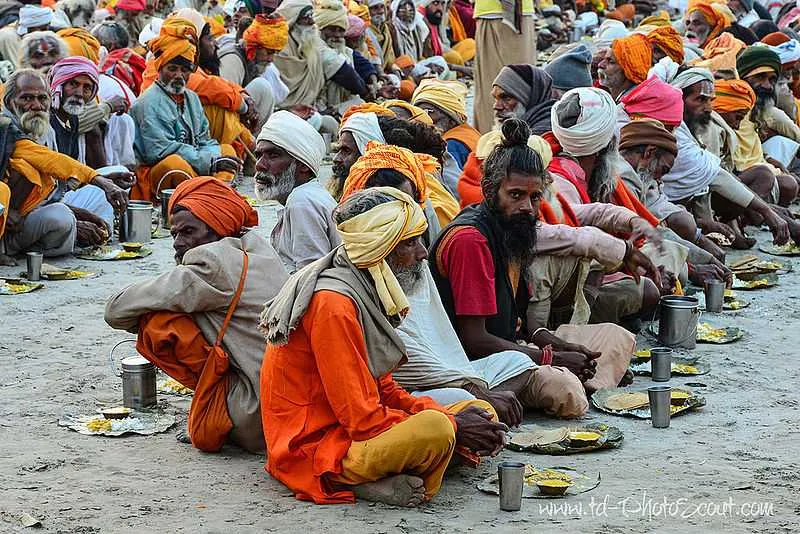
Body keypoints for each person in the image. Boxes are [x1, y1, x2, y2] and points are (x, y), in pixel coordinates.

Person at [260, 187, 507, 506]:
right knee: (437, 430)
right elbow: (361, 419)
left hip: (352, 429)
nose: (423, 253)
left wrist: (449, 416)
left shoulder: (364, 290)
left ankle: (397, 471)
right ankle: (351, 480)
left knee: (478, 411)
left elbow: (384, 389)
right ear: (379, 249)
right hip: (314, 445)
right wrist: (452, 425)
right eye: (410, 242)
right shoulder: (334, 305)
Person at [429, 119, 638, 404]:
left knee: (616, 337)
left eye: (535, 196)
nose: (527, 207)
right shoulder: (471, 240)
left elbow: (524, 328)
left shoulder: (514, 229)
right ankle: (587, 380)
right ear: (490, 190)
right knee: (565, 391)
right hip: (471, 362)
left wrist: (561, 346)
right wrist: (550, 358)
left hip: (511, 348)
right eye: (515, 195)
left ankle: (589, 375)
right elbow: (474, 340)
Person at [105, 177, 288, 453]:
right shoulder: (256, 247)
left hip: (257, 411)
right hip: (290, 400)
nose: (178, 243)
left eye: (189, 232)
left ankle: (219, 416)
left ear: (218, 229)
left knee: (159, 323)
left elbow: (115, 309)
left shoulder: (211, 263)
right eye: (175, 233)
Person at [0, 68, 127, 257]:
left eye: (42, 98)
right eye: (27, 98)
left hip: (29, 214)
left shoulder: (45, 129)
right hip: (8, 216)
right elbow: (48, 160)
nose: (36, 105)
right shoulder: (6, 128)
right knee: (23, 175)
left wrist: (84, 209)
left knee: (63, 215)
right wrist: (98, 180)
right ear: (10, 102)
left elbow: (55, 185)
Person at [662, 66, 792, 248]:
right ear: (679, 98)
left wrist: (768, 210)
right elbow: (715, 176)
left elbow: (712, 174)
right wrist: (767, 211)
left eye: (710, 101)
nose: (708, 108)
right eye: (700, 99)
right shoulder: (674, 128)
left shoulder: (690, 126)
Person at [130, 17, 241, 201]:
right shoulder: (147, 103)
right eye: (172, 69)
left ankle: (215, 195)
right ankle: (208, 195)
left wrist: (214, 156)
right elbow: (159, 151)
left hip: (197, 161)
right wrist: (210, 162)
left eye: (185, 70)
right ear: (160, 68)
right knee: (175, 165)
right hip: (159, 170)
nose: (179, 76)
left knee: (227, 150)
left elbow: (204, 139)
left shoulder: (192, 98)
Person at [617, 119, 734, 285]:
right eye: (663, 169)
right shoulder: (624, 177)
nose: (659, 178)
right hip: (612, 254)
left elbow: (653, 228)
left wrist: (705, 257)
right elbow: (643, 236)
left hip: (621, 248)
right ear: (649, 153)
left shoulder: (634, 175)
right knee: (672, 263)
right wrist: (694, 267)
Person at [333, 110, 458, 234]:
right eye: (337, 150)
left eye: (346, 151)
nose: (336, 159)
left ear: (372, 154)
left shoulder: (420, 194)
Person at [254, 110, 340, 273]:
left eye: (273, 155)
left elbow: (309, 277)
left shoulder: (302, 201)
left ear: (303, 166)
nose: (260, 165)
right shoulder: (307, 195)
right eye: (258, 155)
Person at [472, 0, 536, 133]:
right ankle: (493, 144)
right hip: (496, 14)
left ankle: (495, 144)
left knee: (515, 88)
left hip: (510, 14)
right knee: (506, 88)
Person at [412, 78, 479, 172]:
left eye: (428, 112)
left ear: (451, 119)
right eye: (418, 112)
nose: (423, 118)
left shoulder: (451, 145)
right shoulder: (468, 132)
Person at [491, 64, 556, 134]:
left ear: (529, 99)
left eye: (506, 98)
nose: (496, 106)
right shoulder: (517, 133)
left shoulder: (545, 135)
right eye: (495, 98)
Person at [597, 33, 652, 102]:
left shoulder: (632, 107)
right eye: (603, 59)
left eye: (611, 61)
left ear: (629, 71)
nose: (600, 64)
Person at [367, 0, 394, 70]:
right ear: (367, 10)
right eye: (375, 8)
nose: (380, 11)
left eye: (382, 7)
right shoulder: (364, 31)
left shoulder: (385, 28)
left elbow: (391, 59)